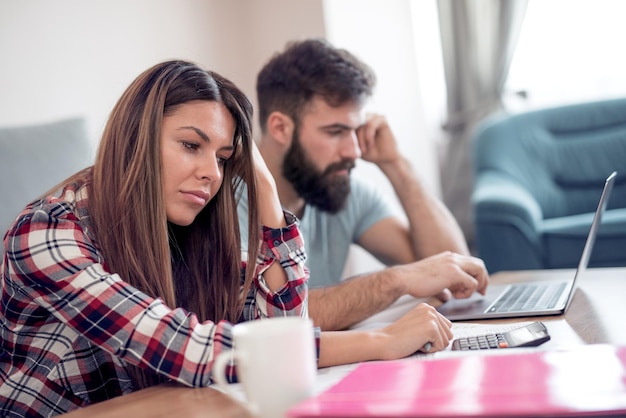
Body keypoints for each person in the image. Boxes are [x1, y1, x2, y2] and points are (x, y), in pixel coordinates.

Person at [1, 59, 453, 417]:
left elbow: (282, 329)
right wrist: (379, 343)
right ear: (136, 138)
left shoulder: (180, 228)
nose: (211, 173)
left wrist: (268, 198)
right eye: (191, 145)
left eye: (223, 157)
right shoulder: (46, 233)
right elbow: (186, 348)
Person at [238, 38, 489, 331]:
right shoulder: (222, 202)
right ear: (280, 127)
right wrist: (397, 280)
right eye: (335, 131)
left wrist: (395, 164)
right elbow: (269, 319)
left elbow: (454, 269)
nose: (354, 151)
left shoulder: (336, 187)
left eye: (356, 131)